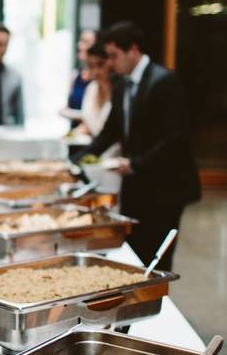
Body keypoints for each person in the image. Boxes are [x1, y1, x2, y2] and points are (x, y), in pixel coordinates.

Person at [77, 22, 201, 270]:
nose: (110, 63)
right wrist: (78, 160)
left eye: (114, 56)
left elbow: (175, 139)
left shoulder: (164, 81)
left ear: (133, 50)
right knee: (133, 252)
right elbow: (110, 132)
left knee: (157, 259)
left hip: (165, 186)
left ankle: (155, 303)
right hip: (137, 185)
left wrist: (136, 164)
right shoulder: (123, 84)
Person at [74, 41, 119, 158]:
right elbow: (89, 123)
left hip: (116, 159)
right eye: (90, 66)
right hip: (94, 154)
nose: (95, 72)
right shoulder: (91, 89)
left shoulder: (120, 91)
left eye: (100, 65)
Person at [63, 29, 97, 123]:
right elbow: (68, 107)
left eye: (85, 42)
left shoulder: (102, 79)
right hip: (76, 133)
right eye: (80, 41)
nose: (79, 45)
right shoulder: (75, 75)